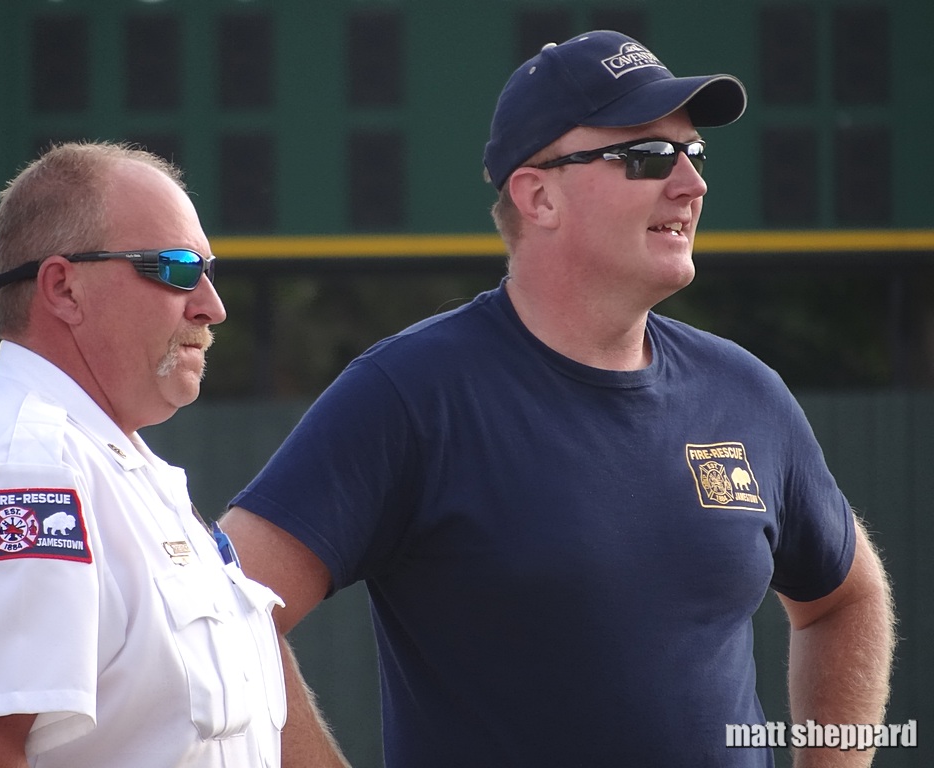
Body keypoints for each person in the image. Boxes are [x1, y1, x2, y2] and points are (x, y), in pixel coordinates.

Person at [221, 31, 896, 767]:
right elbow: (225, 610)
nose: (690, 184)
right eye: (646, 156)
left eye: (693, 154)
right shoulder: (412, 394)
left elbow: (845, 600)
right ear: (537, 195)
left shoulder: (745, 393)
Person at [0, 141, 295, 768]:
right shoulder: (26, 472)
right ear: (63, 288)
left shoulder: (106, 462)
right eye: (175, 269)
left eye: (208, 272)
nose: (211, 306)